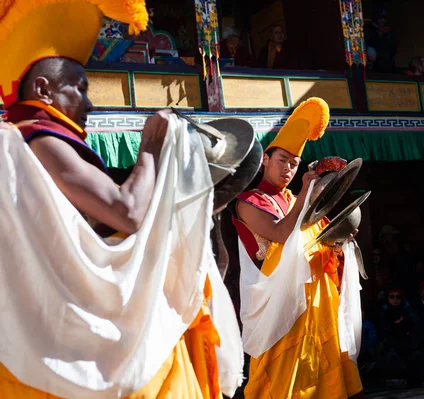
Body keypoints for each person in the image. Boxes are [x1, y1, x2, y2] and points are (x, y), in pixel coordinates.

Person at [0, 1, 242, 398]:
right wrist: (151, 146)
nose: (90, 104)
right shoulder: (36, 137)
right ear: (43, 90)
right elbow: (125, 212)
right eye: (79, 89)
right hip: (70, 338)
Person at [231, 97, 363, 398]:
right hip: (278, 309)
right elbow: (281, 233)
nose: (288, 168)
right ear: (265, 159)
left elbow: (322, 239)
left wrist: (340, 242)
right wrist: (306, 191)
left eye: (294, 163)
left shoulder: (294, 201)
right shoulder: (248, 202)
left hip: (313, 303)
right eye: (282, 161)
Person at [365, 8, 397, 73]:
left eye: (384, 18)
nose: (383, 20)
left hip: (389, 66)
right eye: (381, 18)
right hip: (375, 67)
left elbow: (394, 50)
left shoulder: (388, 31)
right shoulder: (368, 30)